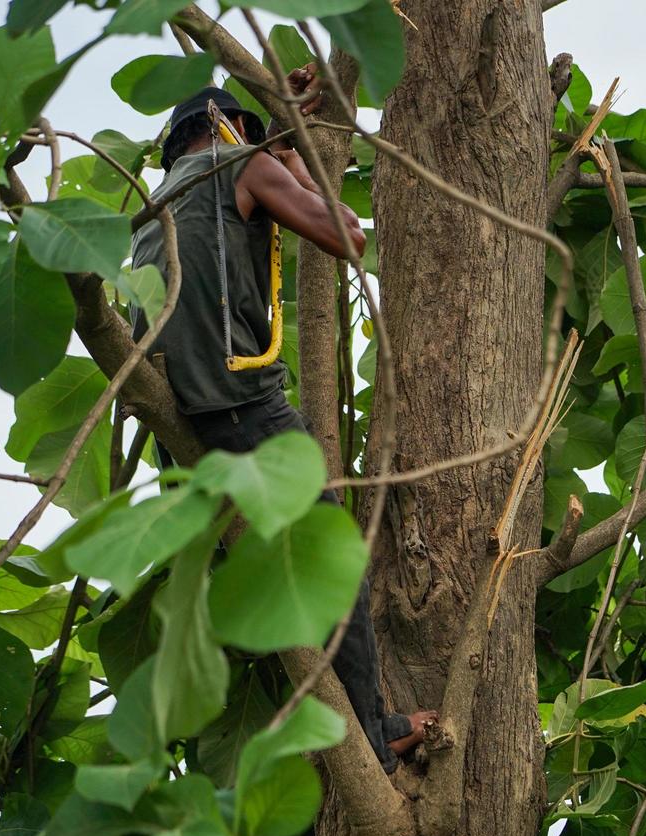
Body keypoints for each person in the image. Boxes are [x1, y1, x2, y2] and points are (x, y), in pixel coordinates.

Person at [129, 73, 436, 772]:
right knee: (334, 562)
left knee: (278, 572)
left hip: (180, 415)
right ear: (229, 128)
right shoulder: (240, 162)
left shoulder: (156, 205)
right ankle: (376, 735)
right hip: (240, 401)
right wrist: (291, 152)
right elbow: (349, 236)